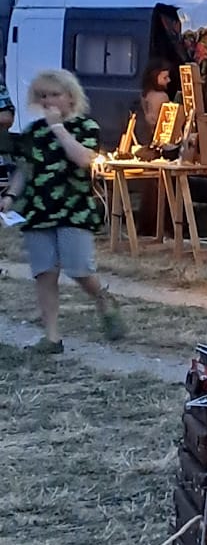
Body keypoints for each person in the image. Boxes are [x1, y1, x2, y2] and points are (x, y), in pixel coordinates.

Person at [1, 70, 125, 355]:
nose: (48, 101)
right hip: (39, 209)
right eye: (43, 96)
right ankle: (52, 337)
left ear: (71, 96)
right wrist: (10, 196)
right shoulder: (33, 132)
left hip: (74, 209)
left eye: (55, 95)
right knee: (44, 272)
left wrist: (59, 129)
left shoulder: (85, 127)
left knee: (79, 268)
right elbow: (25, 169)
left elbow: (84, 160)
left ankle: (104, 299)